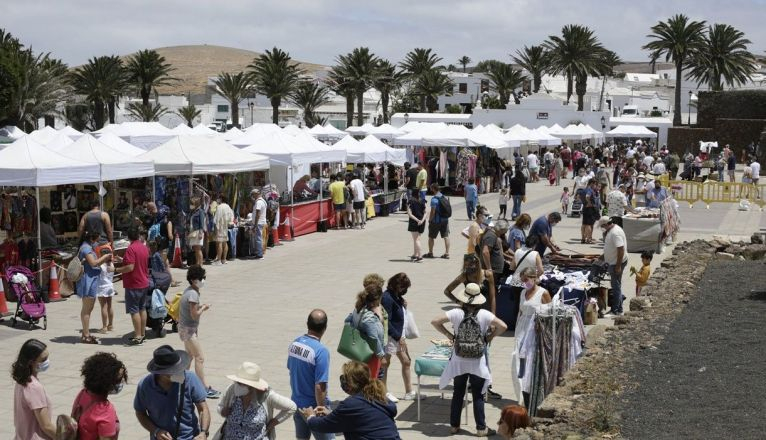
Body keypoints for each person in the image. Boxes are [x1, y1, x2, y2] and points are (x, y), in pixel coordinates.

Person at [431, 283, 507, 436]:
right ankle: (480, 428)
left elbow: (435, 322)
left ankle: (454, 426)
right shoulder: (485, 314)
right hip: (477, 362)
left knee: (458, 393)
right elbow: (503, 326)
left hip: (459, 360)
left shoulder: (455, 312)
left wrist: (450, 336)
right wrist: (488, 337)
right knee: (478, 395)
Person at [300, 361, 400, 440]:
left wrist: (311, 416)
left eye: (344, 378)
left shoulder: (351, 404)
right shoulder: (380, 397)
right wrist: (332, 414)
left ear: (351, 383)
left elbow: (321, 426)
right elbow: (364, 417)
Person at [134, 345, 211, 440]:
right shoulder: (145, 385)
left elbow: (203, 409)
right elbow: (140, 413)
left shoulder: (190, 378)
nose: (177, 373)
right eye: (171, 371)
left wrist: (203, 432)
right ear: (159, 372)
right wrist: (156, 431)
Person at [217, 362, 296, 440]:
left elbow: (291, 407)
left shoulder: (267, 396)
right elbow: (220, 406)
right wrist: (222, 411)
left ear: (252, 386)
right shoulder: (232, 390)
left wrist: (272, 423)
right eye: (237, 382)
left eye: (242, 383)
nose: (237, 385)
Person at [288, 310, 334, 440]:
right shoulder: (321, 351)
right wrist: (322, 409)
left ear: (307, 324)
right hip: (313, 408)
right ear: (325, 328)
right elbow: (320, 386)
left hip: (297, 404)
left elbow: (291, 369)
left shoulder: (294, 344)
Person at [511, 267, 552, 408]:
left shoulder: (543, 293)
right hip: (522, 329)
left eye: (526, 280)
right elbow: (520, 312)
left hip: (535, 331)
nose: (524, 283)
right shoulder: (523, 292)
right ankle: (521, 395)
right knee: (517, 362)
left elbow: (549, 315)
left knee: (530, 363)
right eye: (522, 281)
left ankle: (532, 393)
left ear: (534, 278)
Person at [178, 265, 220, 399]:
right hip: (189, 330)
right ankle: (204, 387)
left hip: (186, 329)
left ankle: (180, 381)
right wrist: (204, 308)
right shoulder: (193, 294)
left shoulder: (190, 291)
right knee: (200, 358)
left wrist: (200, 307)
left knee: (189, 356)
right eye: (201, 278)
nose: (203, 280)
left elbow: (192, 310)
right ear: (194, 280)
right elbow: (195, 314)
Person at [70, 352, 127, 440]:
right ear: (107, 382)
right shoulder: (105, 410)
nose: (121, 382)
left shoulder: (83, 393)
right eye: (119, 379)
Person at [380, 273, 417, 402]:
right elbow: (386, 321)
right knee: (385, 363)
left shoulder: (395, 296)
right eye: (403, 287)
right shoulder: (387, 298)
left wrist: (402, 304)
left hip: (398, 336)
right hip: (391, 337)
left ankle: (409, 391)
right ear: (396, 285)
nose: (404, 290)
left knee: (406, 361)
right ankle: (383, 392)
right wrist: (397, 337)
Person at [13, 339, 56, 440]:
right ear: (31, 362)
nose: (47, 361)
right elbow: (46, 426)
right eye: (43, 359)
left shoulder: (21, 380)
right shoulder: (34, 387)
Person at [77, 229, 113, 344]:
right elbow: (93, 263)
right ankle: (86, 335)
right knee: (87, 309)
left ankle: (85, 333)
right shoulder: (86, 248)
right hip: (88, 281)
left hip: (91, 281)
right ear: (92, 238)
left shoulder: (87, 247)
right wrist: (105, 257)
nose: (98, 241)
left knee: (88, 308)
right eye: (97, 239)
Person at [114, 228, 150, 346]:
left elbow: (130, 267)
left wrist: (115, 269)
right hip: (144, 282)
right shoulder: (144, 247)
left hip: (134, 283)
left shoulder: (130, 248)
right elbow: (138, 262)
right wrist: (123, 259)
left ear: (128, 237)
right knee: (142, 309)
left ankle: (137, 336)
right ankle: (143, 334)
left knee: (134, 310)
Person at [345, 284, 387, 379]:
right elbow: (373, 338)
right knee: (372, 380)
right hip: (370, 356)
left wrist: (357, 332)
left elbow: (347, 320)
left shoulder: (358, 309)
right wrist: (381, 356)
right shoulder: (369, 318)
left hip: (358, 352)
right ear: (376, 299)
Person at [599, 216, 628, 317]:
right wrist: (602, 257)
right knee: (617, 286)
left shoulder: (615, 233)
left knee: (615, 286)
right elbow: (611, 247)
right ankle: (619, 309)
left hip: (616, 262)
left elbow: (620, 249)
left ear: (606, 224)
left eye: (602, 226)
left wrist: (618, 266)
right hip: (614, 261)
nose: (602, 228)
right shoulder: (611, 231)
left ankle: (615, 310)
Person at [424, 183, 450, 259]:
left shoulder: (434, 199)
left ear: (433, 189)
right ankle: (447, 253)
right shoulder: (444, 197)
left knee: (431, 237)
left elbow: (433, 212)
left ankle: (430, 252)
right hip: (445, 220)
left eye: (431, 188)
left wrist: (430, 220)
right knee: (446, 236)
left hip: (436, 221)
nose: (430, 189)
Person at [481, 219, 509, 288]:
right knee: (490, 289)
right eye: (504, 232)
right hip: (493, 270)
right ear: (501, 230)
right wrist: (489, 269)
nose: (503, 234)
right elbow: (485, 252)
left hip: (495, 270)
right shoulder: (491, 236)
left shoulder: (493, 234)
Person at [96, 248, 116, 334]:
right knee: (110, 306)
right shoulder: (111, 264)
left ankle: (104, 327)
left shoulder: (100, 265)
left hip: (102, 287)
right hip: (110, 286)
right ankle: (110, 325)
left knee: (103, 307)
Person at [212, 195, 234, 265]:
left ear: (221, 199)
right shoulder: (228, 207)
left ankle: (218, 260)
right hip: (225, 226)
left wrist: (215, 227)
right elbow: (231, 217)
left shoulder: (220, 207)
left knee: (219, 243)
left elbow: (216, 218)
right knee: (225, 242)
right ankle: (224, 259)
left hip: (220, 226)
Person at [406, 189, 427, 262]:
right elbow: (425, 212)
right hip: (422, 222)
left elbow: (409, 214)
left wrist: (417, 220)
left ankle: (420, 256)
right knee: (416, 239)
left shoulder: (410, 201)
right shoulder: (423, 201)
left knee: (416, 239)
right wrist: (422, 220)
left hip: (414, 222)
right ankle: (415, 254)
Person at [581, 180, 601, 244]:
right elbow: (587, 196)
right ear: (592, 183)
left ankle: (583, 239)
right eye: (595, 184)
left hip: (585, 208)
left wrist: (585, 203)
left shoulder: (584, 190)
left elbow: (579, 197)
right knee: (589, 225)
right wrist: (589, 203)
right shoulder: (590, 190)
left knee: (584, 224)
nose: (595, 186)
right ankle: (589, 239)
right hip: (590, 209)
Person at [188, 197, 206, 266]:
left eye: (192, 204)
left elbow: (202, 223)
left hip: (198, 232)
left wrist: (201, 233)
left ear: (196, 204)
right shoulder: (194, 211)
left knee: (198, 249)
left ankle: (200, 264)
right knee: (195, 249)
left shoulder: (200, 211)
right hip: (194, 231)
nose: (191, 205)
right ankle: (197, 263)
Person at [250, 189, 267, 260]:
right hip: (261, 222)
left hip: (259, 222)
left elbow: (258, 214)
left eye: (253, 194)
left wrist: (255, 225)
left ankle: (259, 254)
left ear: (256, 194)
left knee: (258, 238)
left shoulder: (259, 202)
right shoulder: (262, 201)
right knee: (258, 238)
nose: (252, 196)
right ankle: (258, 253)